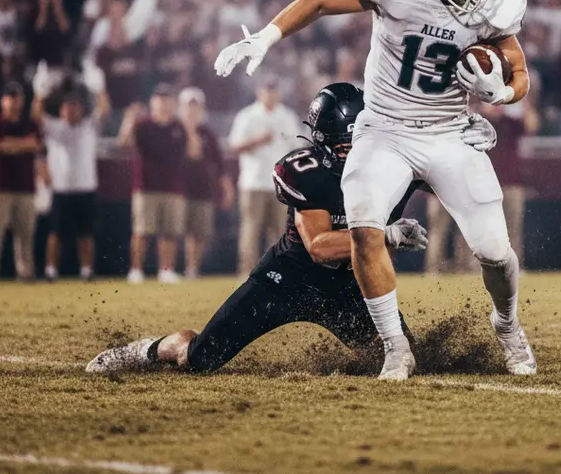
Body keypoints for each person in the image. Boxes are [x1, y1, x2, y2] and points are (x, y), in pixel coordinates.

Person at [215, 0, 534, 380]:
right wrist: (265, 36)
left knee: (493, 250)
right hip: (384, 128)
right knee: (366, 227)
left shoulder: (498, 1)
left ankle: (507, 325)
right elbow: (322, 0)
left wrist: (502, 92)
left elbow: (520, 72)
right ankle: (395, 349)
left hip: (449, 134)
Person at [86, 84, 428, 375]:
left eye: (362, 138)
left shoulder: (392, 162)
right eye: (345, 144)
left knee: (410, 362)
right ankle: (150, 349)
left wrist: (460, 148)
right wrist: (386, 234)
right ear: (323, 140)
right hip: (288, 281)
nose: (355, 151)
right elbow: (319, 246)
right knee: (200, 358)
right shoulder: (305, 170)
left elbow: (445, 177)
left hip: (348, 287)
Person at [425, 101, 532, 274]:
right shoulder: (470, 126)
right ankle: (445, 269)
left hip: (500, 183)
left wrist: (526, 105)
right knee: (455, 230)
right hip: (464, 185)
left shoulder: (507, 122)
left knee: (508, 229)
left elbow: (530, 125)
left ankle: (504, 267)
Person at [227, 77, 304, 276]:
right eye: (266, 90)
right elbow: (235, 146)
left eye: (273, 90)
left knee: (279, 230)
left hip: (281, 184)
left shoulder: (287, 116)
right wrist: (258, 140)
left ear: (278, 94)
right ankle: (247, 272)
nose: (270, 95)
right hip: (253, 182)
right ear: (259, 93)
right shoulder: (247, 116)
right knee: (251, 229)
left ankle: (276, 272)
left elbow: (297, 149)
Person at [35, 85, 108, 282]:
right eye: (67, 107)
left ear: (81, 109)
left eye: (75, 106)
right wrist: (40, 90)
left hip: (86, 188)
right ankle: (51, 270)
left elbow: (104, 109)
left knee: (86, 234)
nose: (71, 110)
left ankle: (86, 270)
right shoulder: (54, 128)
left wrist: (98, 86)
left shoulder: (88, 126)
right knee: (55, 234)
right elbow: (36, 116)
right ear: (61, 110)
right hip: (61, 189)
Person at [118, 85, 187, 284]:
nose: (163, 103)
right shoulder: (142, 125)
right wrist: (129, 120)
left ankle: (166, 270)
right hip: (145, 187)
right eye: (159, 99)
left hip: (173, 187)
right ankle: (136, 270)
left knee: (170, 233)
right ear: (152, 102)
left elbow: (191, 153)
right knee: (142, 231)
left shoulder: (178, 126)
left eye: (167, 99)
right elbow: (123, 144)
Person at [0, 82, 42, 284]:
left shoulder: (30, 124)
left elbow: (36, 145)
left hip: (25, 187)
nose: (14, 102)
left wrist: (11, 144)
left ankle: (25, 273)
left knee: (25, 235)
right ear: (2, 101)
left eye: (18, 97)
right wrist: (23, 145)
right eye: (10, 97)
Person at [178, 87, 233, 279]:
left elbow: (220, 164)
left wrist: (227, 189)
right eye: (189, 106)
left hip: (203, 190)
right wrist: (189, 129)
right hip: (180, 190)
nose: (193, 110)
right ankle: (175, 268)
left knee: (200, 232)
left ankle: (193, 268)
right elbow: (193, 153)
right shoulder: (175, 129)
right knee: (181, 232)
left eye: (196, 106)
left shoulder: (209, 133)